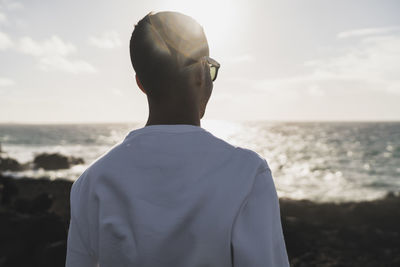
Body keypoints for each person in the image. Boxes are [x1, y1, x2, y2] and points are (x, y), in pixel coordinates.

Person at [65, 11, 289, 267]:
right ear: (201, 73)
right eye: (211, 69)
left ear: (141, 83)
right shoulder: (247, 175)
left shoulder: (90, 184)